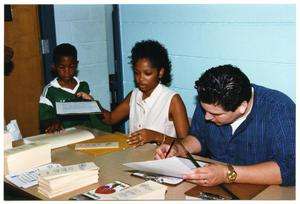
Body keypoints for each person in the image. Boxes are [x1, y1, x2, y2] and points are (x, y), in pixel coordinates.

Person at [155, 64, 295, 187]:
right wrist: (180, 149)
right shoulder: (211, 101)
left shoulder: (278, 109)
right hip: (213, 189)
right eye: (205, 110)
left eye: (216, 114)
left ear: (242, 107)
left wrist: (227, 174)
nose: (207, 117)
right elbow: (199, 137)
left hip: (267, 192)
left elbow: (290, 169)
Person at [101, 40, 189, 147]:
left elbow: (186, 144)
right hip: (134, 156)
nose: (140, 79)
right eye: (136, 73)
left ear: (160, 72)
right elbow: (110, 118)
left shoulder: (172, 100)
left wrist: (156, 136)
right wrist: (92, 105)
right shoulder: (134, 95)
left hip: (161, 159)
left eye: (147, 73)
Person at [39, 43, 109, 133]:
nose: (67, 71)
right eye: (61, 67)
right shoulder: (49, 91)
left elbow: (93, 114)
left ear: (77, 64)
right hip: (63, 135)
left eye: (71, 66)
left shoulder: (83, 86)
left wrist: (92, 102)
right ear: (54, 66)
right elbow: (43, 121)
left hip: (86, 133)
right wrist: (52, 122)